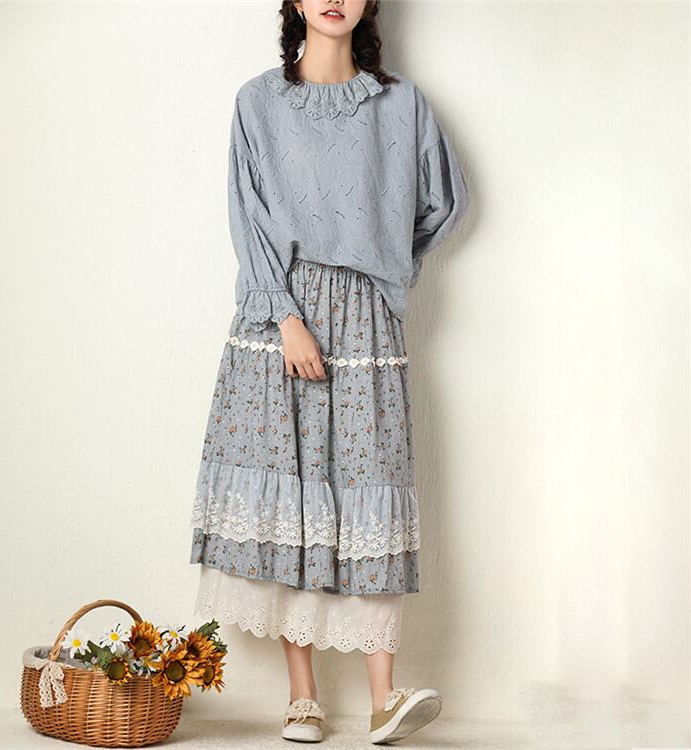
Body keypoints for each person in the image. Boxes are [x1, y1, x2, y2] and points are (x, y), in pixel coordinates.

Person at [189, 0, 469, 743]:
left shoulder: (402, 104)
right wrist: (285, 316)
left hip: (368, 320)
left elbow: (446, 200)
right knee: (296, 487)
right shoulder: (258, 102)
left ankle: (383, 697)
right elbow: (247, 215)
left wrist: (383, 260)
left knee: (372, 486)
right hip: (281, 315)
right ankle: (302, 696)